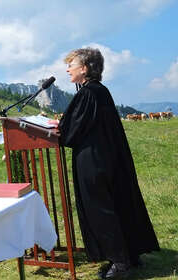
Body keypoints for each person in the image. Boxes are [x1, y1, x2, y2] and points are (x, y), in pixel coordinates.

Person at [56, 48, 159, 278]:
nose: (67, 69)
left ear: (84, 68)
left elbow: (69, 131)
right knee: (117, 204)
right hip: (108, 158)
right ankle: (130, 255)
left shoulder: (88, 94)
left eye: (71, 65)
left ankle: (119, 262)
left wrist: (58, 128)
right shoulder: (101, 91)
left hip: (93, 162)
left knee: (101, 210)